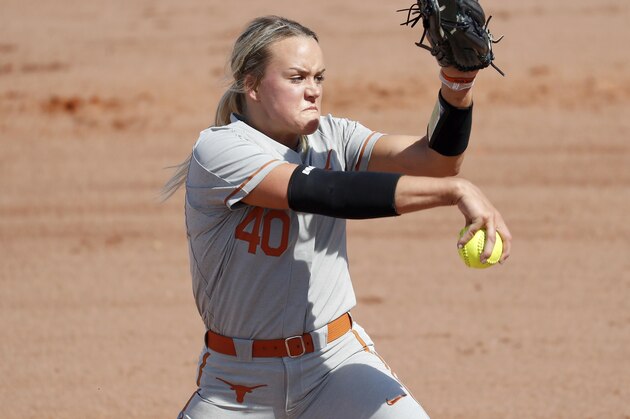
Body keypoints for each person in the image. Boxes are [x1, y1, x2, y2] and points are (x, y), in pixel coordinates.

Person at [163, 15, 511, 419]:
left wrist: (457, 86)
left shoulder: (335, 136)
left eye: (318, 77)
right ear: (251, 84)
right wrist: (456, 192)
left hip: (335, 365)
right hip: (238, 382)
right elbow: (324, 192)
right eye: (296, 78)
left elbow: (435, 161)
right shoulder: (220, 151)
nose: (313, 91)